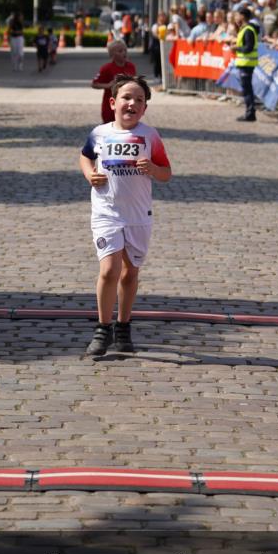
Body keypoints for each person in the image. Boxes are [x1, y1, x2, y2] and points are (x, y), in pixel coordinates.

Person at [79, 74, 172, 357]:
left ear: (145, 108)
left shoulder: (150, 136)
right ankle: (102, 328)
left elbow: (166, 173)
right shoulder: (99, 133)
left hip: (138, 215)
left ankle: (124, 325)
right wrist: (89, 174)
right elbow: (85, 156)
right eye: (126, 98)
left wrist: (153, 170)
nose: (132, 103)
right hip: (106, 211)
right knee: (109, 270)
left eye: (139, 100)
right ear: (113, 102)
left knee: (130, 272)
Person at [91, 40, 137, 123]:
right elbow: (94, 84)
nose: (124, 53)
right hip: (110, 107)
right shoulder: (107, 68)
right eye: (120, 51)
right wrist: (108, 85)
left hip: (127, 105)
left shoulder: (131, 66)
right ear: (112, 55)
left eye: (125, 50)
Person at [230, 12, 259, 121]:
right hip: (245, 63)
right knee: (247, 89)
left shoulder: (248, 30)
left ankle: (250, 113)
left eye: (237, 15)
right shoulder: (245, 29)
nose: (235, 18)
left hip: (247, 63)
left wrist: (236, 48)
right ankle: (250, 112)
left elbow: (248, 48)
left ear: (243, 16)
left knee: (247, 89)